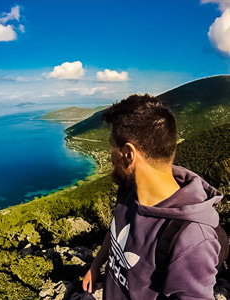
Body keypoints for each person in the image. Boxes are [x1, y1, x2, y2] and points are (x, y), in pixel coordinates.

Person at [82, 94, 223, 299]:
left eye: (112, 146)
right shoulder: (130, 190)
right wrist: (96, 266)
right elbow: (117, 228)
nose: (109, 154)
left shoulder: (191, 238)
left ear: (128, 154)